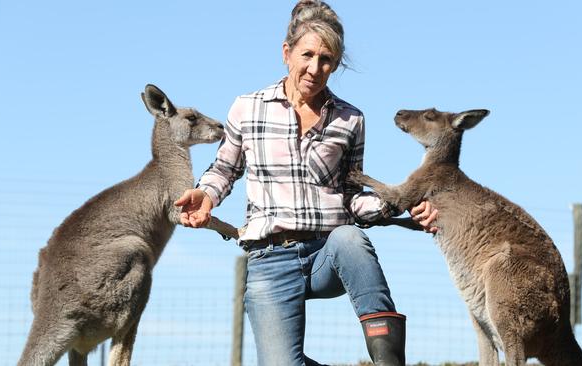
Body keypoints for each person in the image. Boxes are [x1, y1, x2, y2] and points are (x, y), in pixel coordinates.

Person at [175, 1, 436, 365]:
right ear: (287, 53)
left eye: (326, 59)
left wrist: (401, 204)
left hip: (325, 252)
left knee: (350, 237)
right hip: (269, 258)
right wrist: (205, 194)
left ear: (336, 63)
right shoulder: (248, 108)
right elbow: (223, 169)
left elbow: (351, 198)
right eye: (307, 55)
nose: (315, 68)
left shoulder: (350, 120)